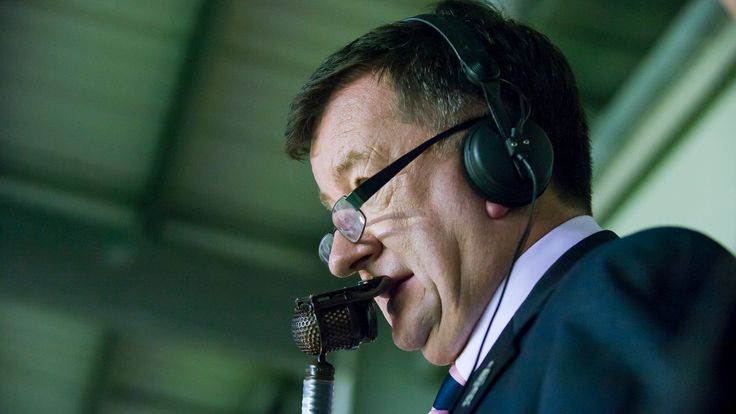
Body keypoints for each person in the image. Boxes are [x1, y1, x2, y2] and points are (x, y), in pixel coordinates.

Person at [284, 0, 736, 412]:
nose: (342, 259)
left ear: (500, 159)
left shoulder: (630, 289)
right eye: (337, 221)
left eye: (364, 187)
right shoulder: (496, 377)